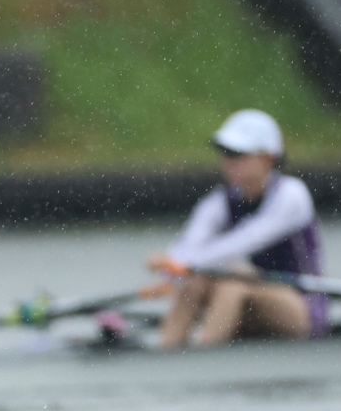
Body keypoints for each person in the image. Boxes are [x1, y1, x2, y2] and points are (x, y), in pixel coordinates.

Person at [141, 109, 328, 349]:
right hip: (250, 297)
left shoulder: (292, 195)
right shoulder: (219, 201)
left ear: (268, 158)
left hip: (301, 306)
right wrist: (171, 270)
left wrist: (179, 263)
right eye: (224, 152)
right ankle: (167, 348)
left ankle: (205, 353)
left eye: (237, 154)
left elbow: (244, 241)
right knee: (195, 282)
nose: (228, 161)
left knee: (232, 282)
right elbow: (190, 243)